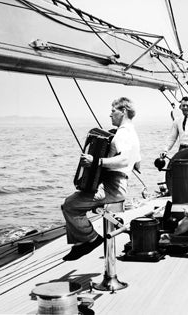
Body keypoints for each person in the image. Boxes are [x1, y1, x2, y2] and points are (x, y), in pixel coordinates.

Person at [61, 97, 141, 261]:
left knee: (70, 205)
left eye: (113, 111)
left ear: (123, 111)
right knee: (74, 202)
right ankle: (80, 244)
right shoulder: (131, 132)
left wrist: (97, 161)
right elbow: (137, 164)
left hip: (113, 187)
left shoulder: (123, 133)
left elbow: (125, 159)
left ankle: (90, 239)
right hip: (118, 184)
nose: (110, 115)